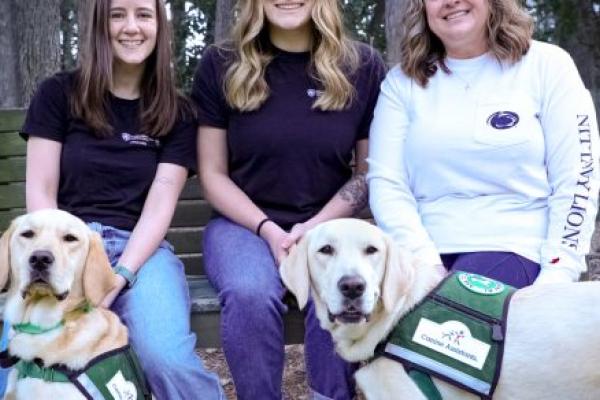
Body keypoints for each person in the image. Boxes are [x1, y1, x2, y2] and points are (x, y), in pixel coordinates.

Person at [16, 0, 224, 398]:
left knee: (166, 360)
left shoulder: (177, 113)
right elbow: (40, 193)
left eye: (143, 15)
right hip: (61, 251)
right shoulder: (58, 94)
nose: (132, 27)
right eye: (118, 14)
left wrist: (120, 275)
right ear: (100, 24)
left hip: (139, 255)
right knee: (17, 357)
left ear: (159, 27)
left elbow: (159, 205)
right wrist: (66, 265)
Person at [192, 0, 386, 398]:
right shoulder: (221, 64)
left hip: (328, 226)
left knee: (333, 284)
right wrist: (268, 231)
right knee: (249, 292)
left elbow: (367, 173)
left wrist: (312, 230)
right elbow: (212, 175)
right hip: (241, 226)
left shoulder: (362, 66)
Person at [368, 0, 599, 289]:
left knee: (450, 315)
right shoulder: (402, 83)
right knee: (344, 320)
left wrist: (558, 271)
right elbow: (387, 182)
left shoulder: (547, 65)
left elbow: (579, 177)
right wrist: (424, 262)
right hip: (420, 255)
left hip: (516, 247)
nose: (451, 2)